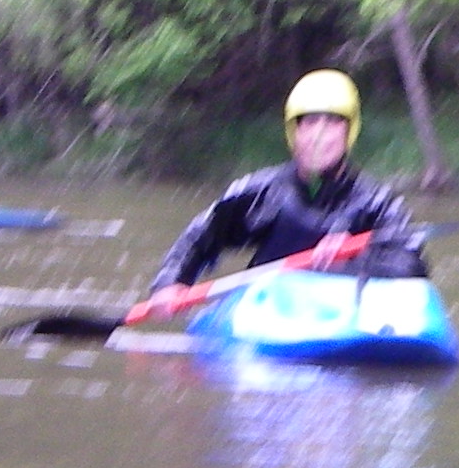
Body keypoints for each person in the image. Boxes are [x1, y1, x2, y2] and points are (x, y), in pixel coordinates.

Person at [139, 71, 428, 313]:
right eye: (310, 123)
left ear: (348, 132)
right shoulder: (262, 192)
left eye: (332, 123)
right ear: (295, 132)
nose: (319, 135)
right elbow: (200, 235)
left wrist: (354, 260)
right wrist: (170, 283)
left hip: (338, 313)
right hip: (268, 313)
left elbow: (410, 264)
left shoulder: (376, 201)